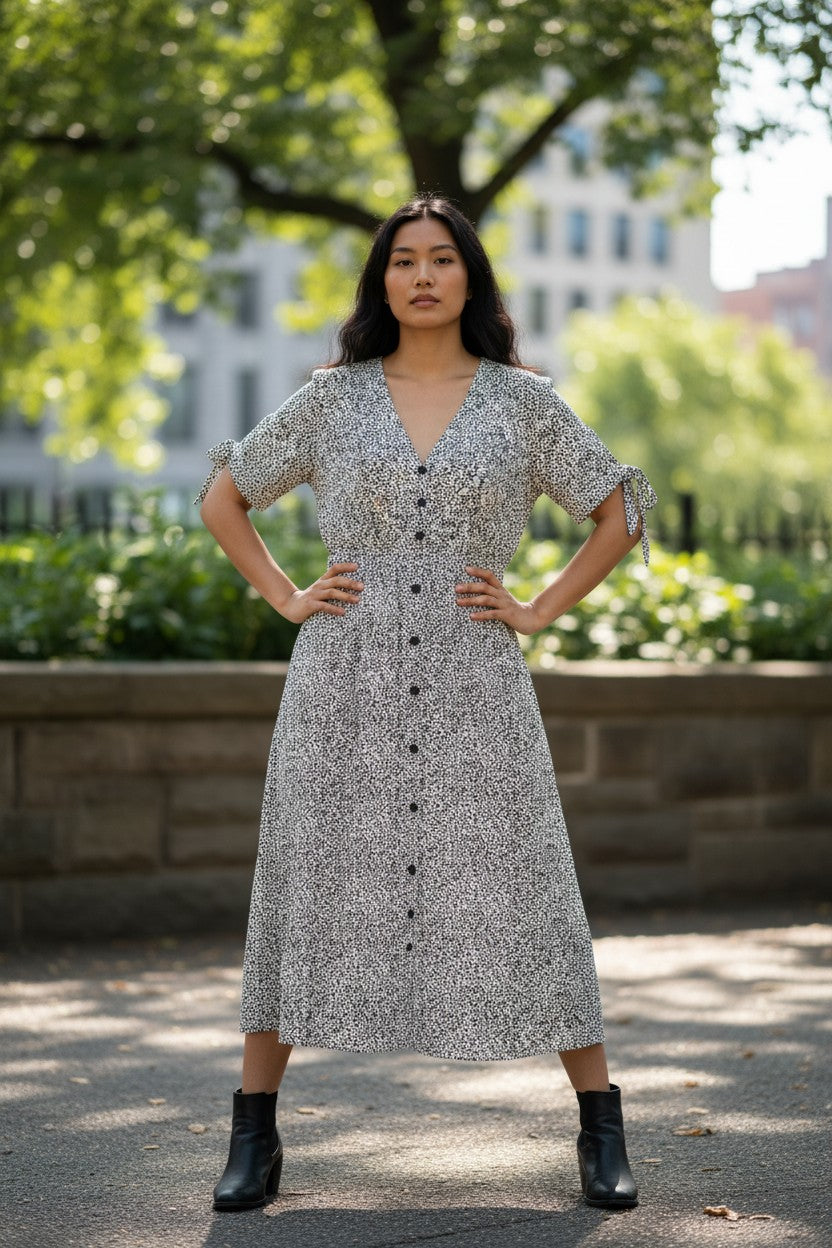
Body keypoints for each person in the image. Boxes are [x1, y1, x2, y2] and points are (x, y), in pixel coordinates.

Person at [196, 193, 657, 1214]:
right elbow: (226, 493)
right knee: (301, 884)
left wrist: (536, 608)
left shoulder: (521, 403)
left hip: (474, 686)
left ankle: (600, 1127)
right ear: (382, 280)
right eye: (401, 260)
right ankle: (253, 1134)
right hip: (341, 681)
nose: (420, 276)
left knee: (531, 885)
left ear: (468, 277)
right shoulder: (329, 399)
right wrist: (285, 594)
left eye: (440, 259)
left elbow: (621, 507)